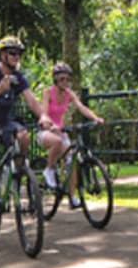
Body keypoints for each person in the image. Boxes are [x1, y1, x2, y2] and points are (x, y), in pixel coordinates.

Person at [0, 36, 54, 240]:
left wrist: (42, 116)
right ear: (3, 55)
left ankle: (16, 170)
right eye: (12, 53)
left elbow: (31, 100)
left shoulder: (19, 77)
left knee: (23, 136)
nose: (16, 57)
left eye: (19, 54)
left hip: (5, 123)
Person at [38, 62, 104, 209]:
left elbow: (81, 107)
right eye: (62, 79)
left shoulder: (69, 94)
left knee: (73, 158)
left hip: (61, 131)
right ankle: (49, 169)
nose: (65, 82)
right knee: (57, 142)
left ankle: (72, 196)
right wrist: (50, 125)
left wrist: (95, 118)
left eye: (68, 79)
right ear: (55, 80)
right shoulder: (48, 92)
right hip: (46, 131)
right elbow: (44, 112)